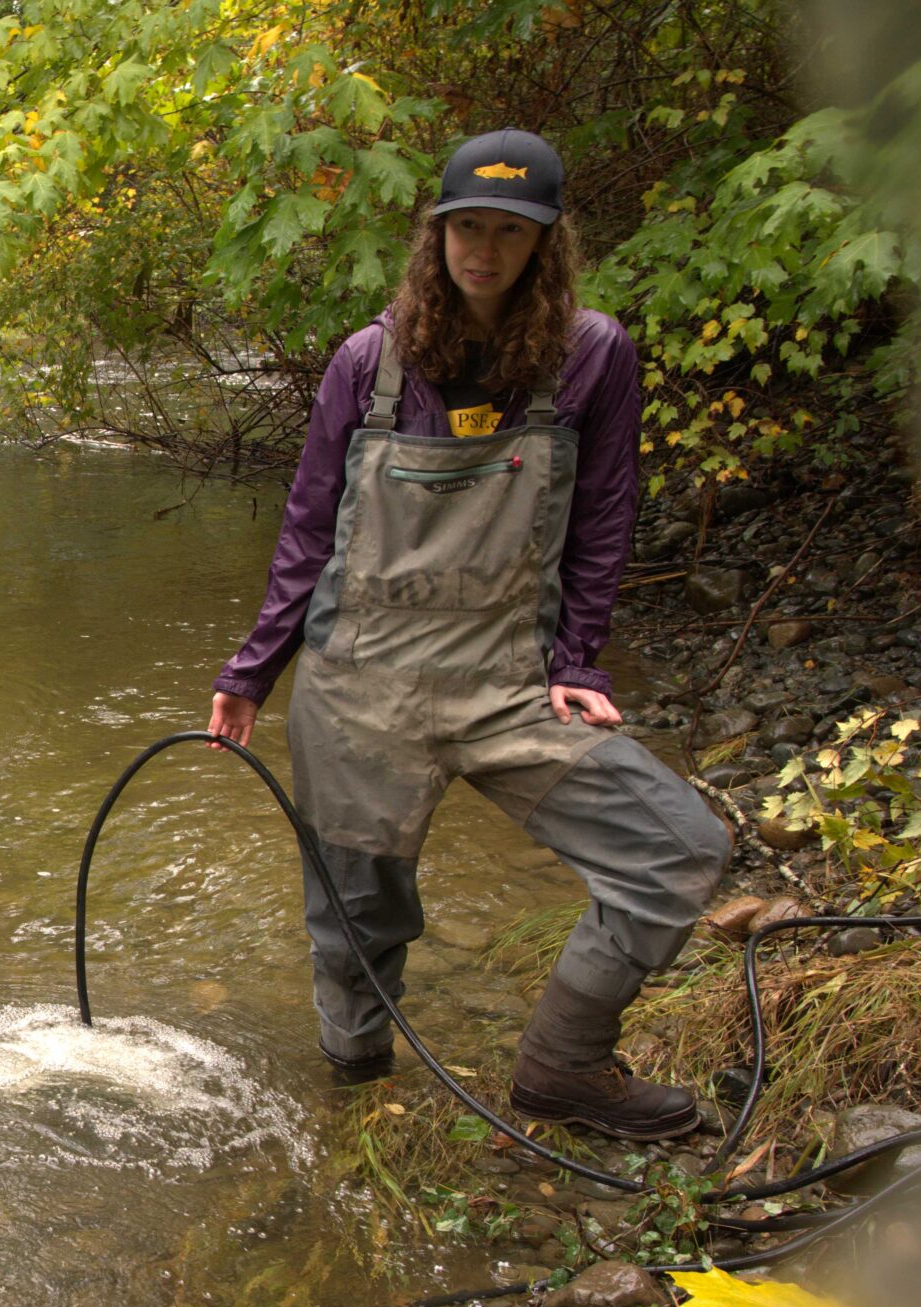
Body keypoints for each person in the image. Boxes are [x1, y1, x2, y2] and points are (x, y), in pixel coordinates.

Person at [207, 130, 729, 1139]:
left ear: (545, 244)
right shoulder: (369, 360)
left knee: (676, 851)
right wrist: (253, 668)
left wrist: (576, 659)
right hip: (357, 685)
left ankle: (561, 1067)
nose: (481, 251)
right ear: (434, 233)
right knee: (355, 924)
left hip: (507, 684)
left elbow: (603, 517)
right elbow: (309, 526)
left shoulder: (592, 358)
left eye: (507, 232)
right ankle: (355, 1110)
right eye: (464, 228)